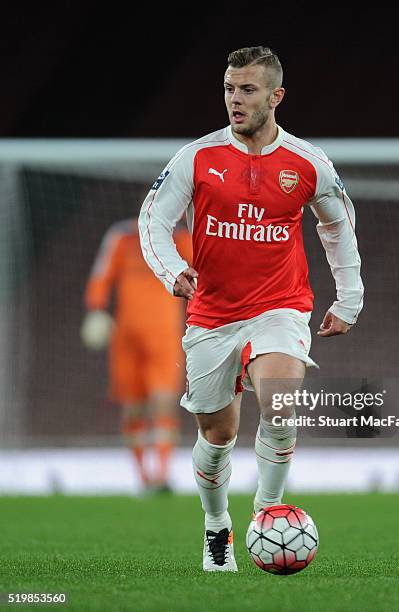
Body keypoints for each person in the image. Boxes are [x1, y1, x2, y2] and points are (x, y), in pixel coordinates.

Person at [138, 46, 364, 570]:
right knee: (218, 435)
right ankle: (217, 525)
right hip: (212, 315)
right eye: (228, 89)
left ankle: (268, 513)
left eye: (247, 90)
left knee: (281, 405)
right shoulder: (197, 157)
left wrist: (349, 299)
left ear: (275, 96)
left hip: (280, 307)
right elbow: (153, 220)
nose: (234, 100)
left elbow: (338, 227)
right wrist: (173, 269)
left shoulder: (307, 163)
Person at [81, 217, 192, 491]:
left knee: (163, 403)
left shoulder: (182, 240)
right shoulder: (122, 237)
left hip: (165, 334)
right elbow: (100, 276)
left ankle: (162, 475)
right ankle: (144, 478)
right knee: (133, 409)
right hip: (126, 337)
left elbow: (204, 274)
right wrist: (96, 308)